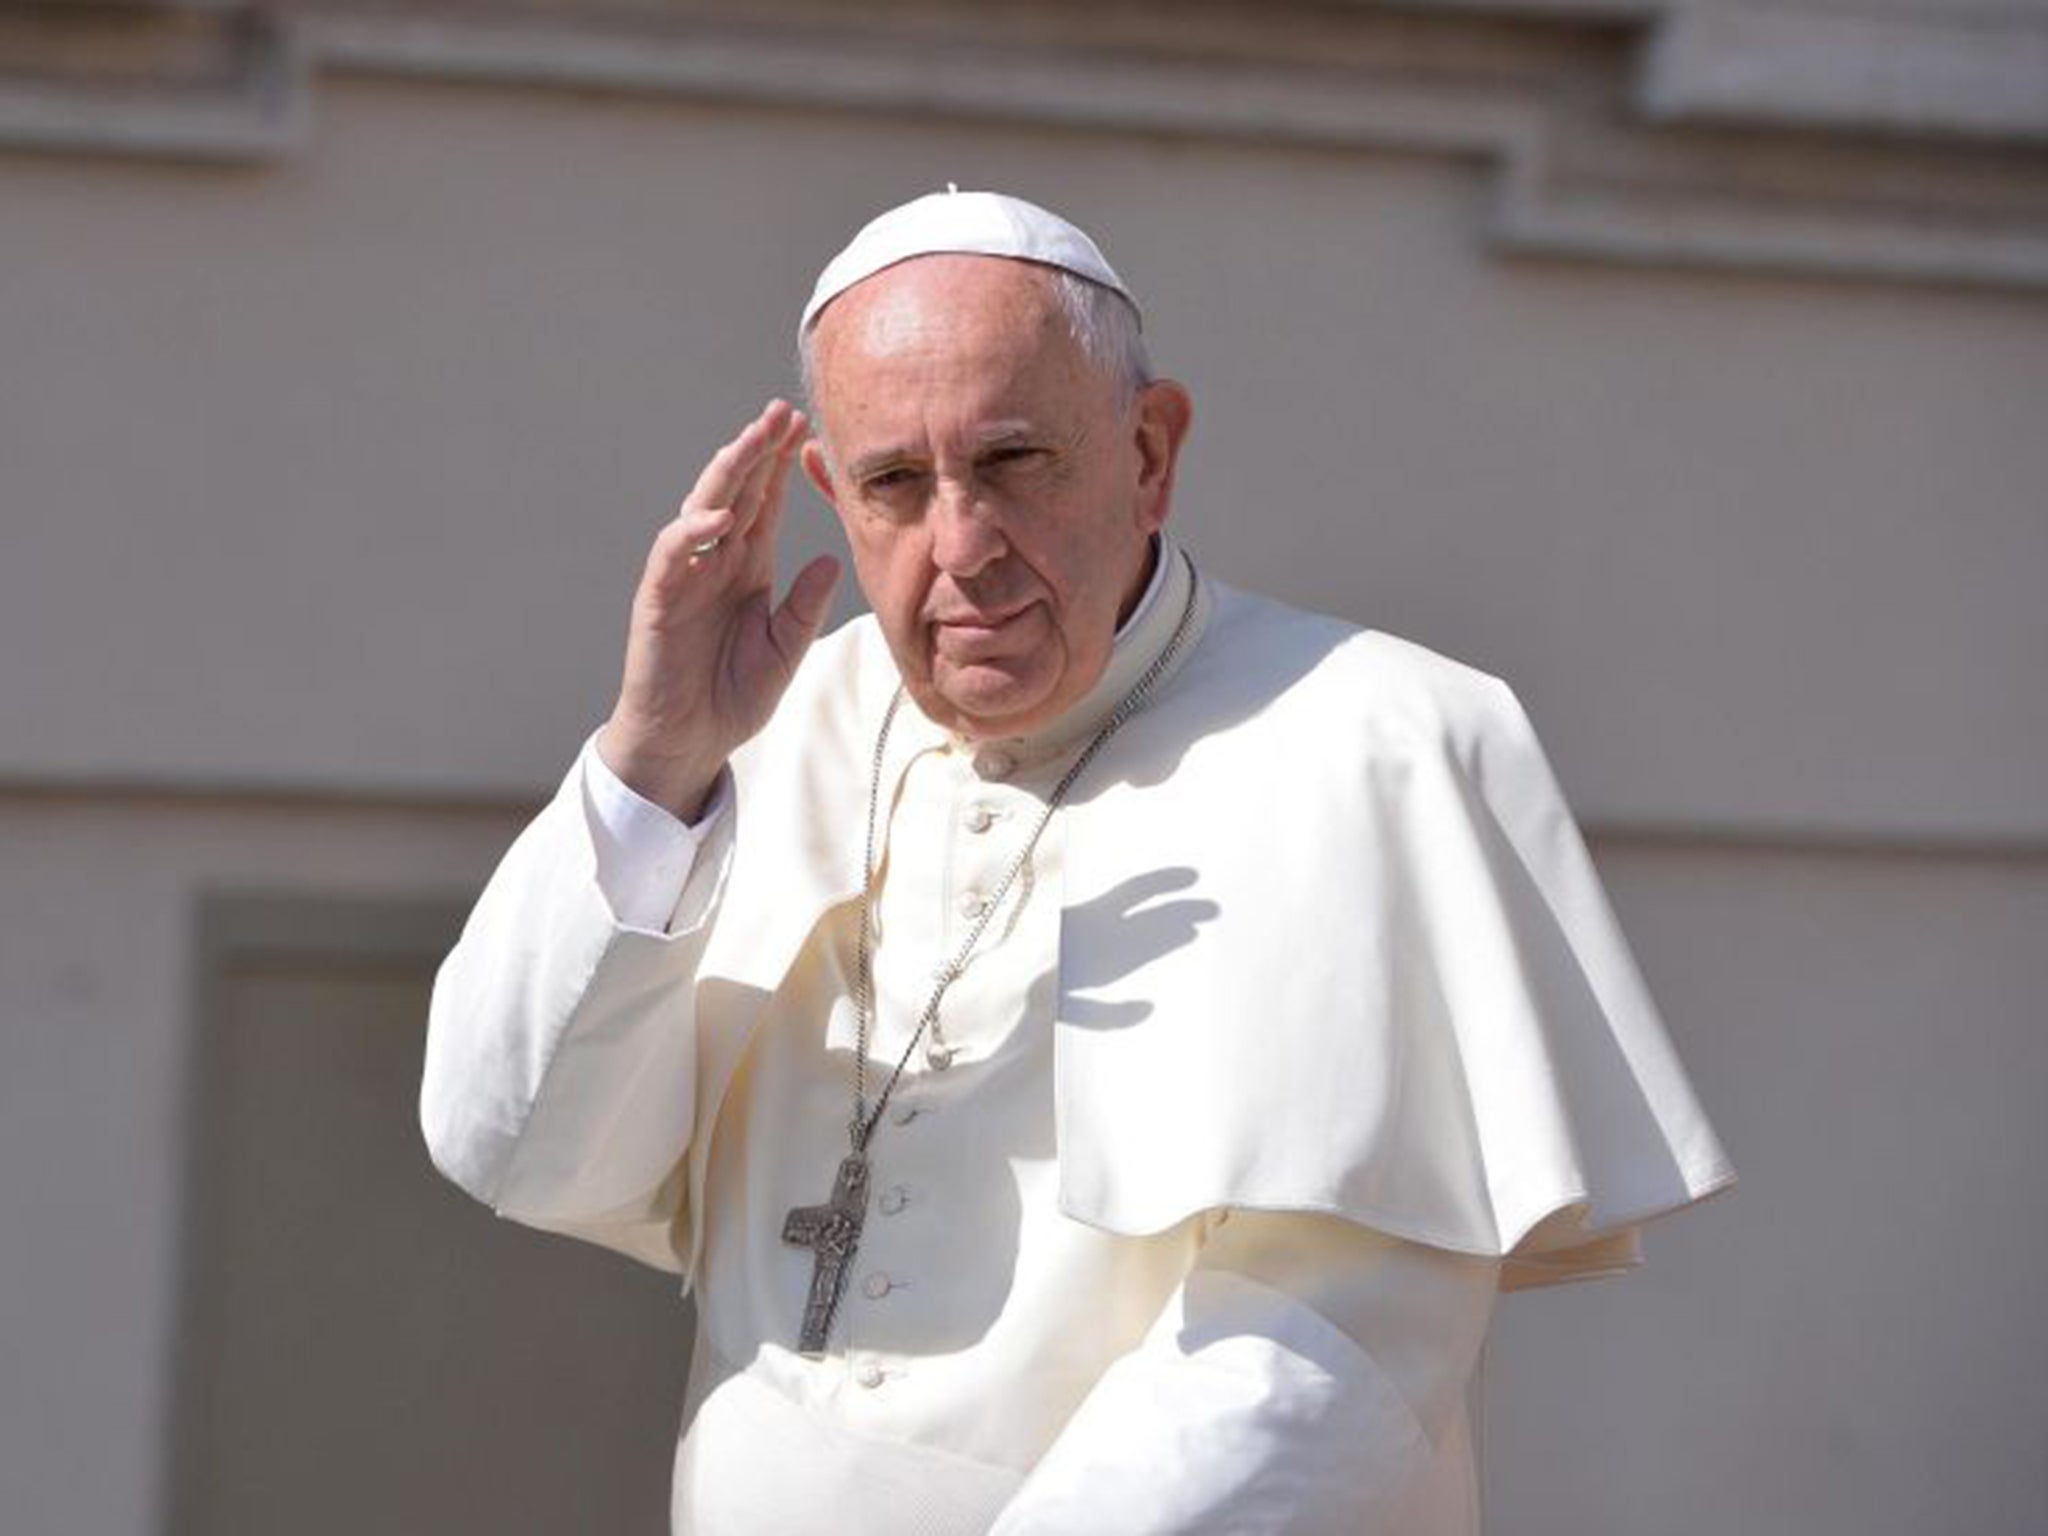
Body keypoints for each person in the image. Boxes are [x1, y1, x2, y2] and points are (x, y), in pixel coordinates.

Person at [421, 188, 1733, 1534]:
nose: (963, 548)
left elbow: (1325, 1352)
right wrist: (655, 762)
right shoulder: (761, 735)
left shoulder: (1375, 740)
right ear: (832, 494)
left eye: (1014, 462)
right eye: (896, 485)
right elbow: (517, 1151)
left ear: (1150, 452)